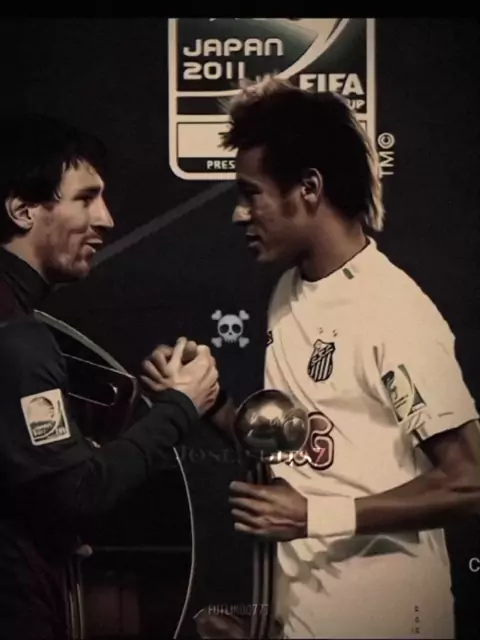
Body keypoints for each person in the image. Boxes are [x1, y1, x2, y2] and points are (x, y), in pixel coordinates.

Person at [147, 77, 480, 639]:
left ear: (309, 188)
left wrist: (313, 517)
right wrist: (205, 399)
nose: (239, 214)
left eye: (251, 193)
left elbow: (468, 481)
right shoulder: (289, 291)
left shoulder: (392, 310)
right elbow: (296, 452)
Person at [0, 112, 220, 640]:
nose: (106, 218)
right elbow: (79, 493)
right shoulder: (17, 338)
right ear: (23, 210)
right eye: (85, 198)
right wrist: (180, 407)